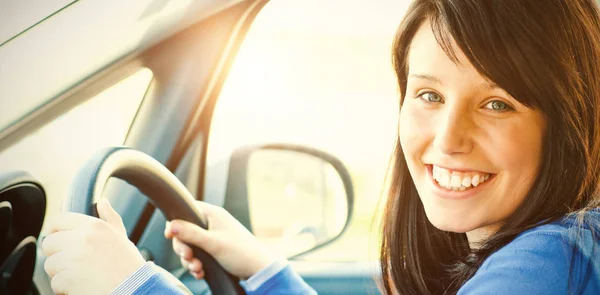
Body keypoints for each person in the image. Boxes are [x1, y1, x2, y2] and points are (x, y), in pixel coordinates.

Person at [41, 0, 600, 294]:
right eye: (428, 94)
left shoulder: (553, 263)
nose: (448, 139)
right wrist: (268, 274)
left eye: (496, 103)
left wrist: (130, 285)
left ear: (570, 121)